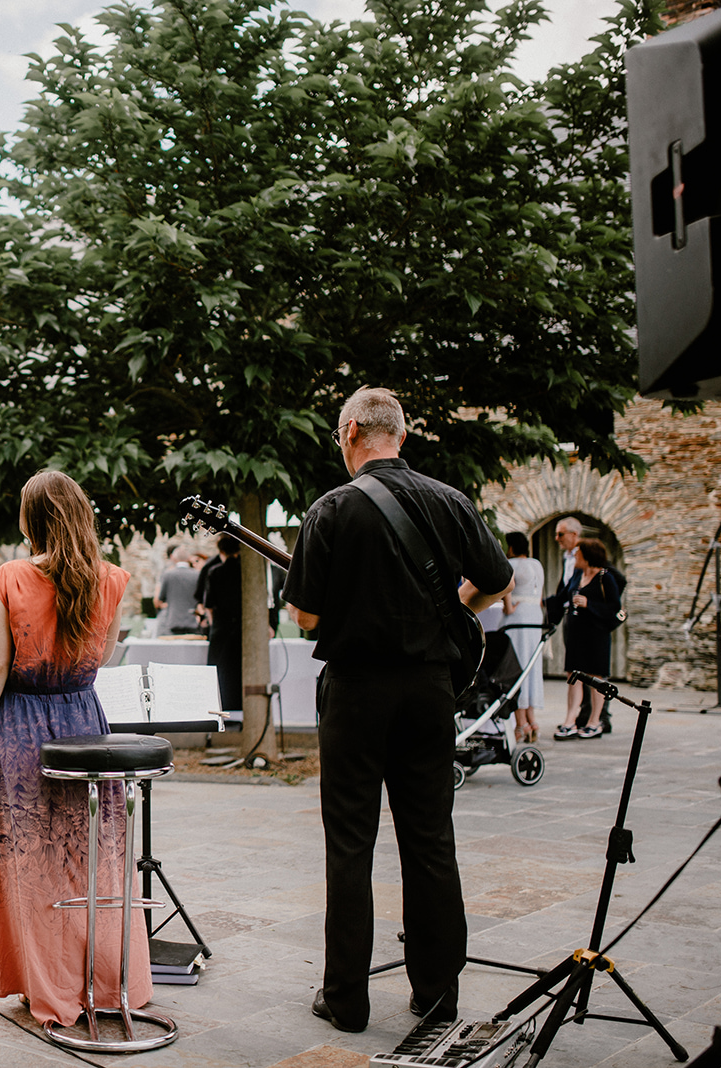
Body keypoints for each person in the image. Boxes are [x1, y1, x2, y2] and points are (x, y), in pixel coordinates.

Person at [283, 386, 512, 1034]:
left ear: (352, 431)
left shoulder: (329, 510)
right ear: (401, 436)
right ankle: (438, 996)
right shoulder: (449, 500)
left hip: (357, 691)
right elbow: (496, 581)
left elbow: (306, 615)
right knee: (431, 839)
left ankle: (347, 1001)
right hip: (430, 689)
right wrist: (450, 608)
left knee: (350, 845)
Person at [0, 470, 144, 1027]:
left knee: (30, 862)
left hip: (22, 724)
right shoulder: (111, 579)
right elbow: (106, 654)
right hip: (83, 721)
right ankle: (104, 981)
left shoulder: (11, 577)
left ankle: (42, 985)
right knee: (89, 856)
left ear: (32, 520)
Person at [553, 538, 623, 741]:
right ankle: (570, 721)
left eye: (578, 553)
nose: (575, 556)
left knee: (595, 678)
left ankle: (594, 722)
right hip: (576, 632)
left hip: (596, 634)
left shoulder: (605, 578)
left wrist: (588, 604)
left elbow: (614, 608)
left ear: (587, 556)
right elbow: (563, 596)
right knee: (573, 676)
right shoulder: (576, 574)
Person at [500, 531, 545, 743]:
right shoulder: (537, 565)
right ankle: (532, 720)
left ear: (511, 547)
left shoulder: (510, 565)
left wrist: (509, 607)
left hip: (517, 619)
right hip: (535, 617)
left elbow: (508, 603)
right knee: (531, 667)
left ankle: (521, 724)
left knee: (515, 667)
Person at [197, 536, 243, 710]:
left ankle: (221, 709)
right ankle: (239, 709)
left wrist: (212, 622)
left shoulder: (214, 572)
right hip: (240, 628)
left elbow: (208, 605)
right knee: (237, 671)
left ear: (221, 551)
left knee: (219, 672)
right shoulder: (246, 572)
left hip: (221, 628)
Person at [153, 545, 201, 636]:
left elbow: (160, 598)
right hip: (192, 619)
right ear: (188, 558)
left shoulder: (168, 574)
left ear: (174, 558)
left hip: (173, 619)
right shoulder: (197, 575)